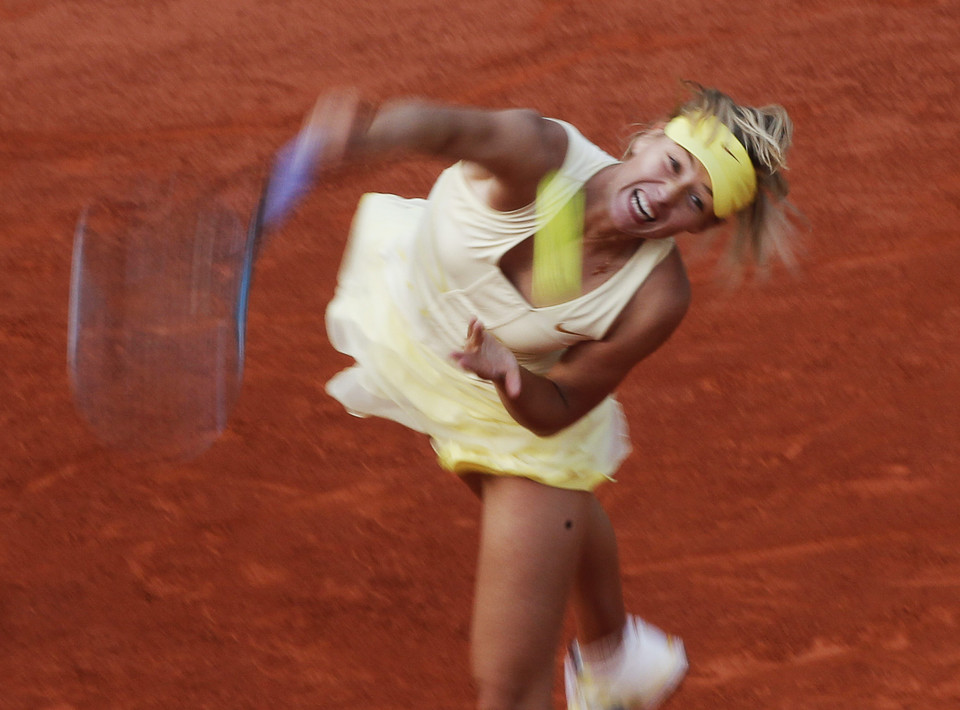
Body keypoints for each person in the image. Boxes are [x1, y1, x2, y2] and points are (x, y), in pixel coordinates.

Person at [265, 82, 795, 710]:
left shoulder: (656, 298)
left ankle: (614, 660)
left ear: (702, 225)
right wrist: (371, 134)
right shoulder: (539, 151)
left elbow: (563, 406)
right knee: (553, 526)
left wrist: (508, 377)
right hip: (415, 325)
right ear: (649, 139)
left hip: (520, 420)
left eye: (693, 201)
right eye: (673, 165)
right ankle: (617, 656)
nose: (665, 195)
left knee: (508, 688)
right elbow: (449, 129)